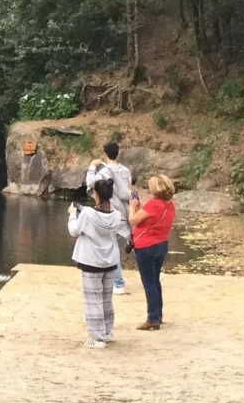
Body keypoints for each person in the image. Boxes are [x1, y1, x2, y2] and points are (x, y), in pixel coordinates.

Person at [68, 176, 125, 349]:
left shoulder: (86, 214)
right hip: (110, 261)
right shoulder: (116, 216)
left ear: (96, 195)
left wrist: (72, 215)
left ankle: (97, 338)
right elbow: (99, 215)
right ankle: (107, 332)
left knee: (92, 299)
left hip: (91, 261)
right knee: (106, 298)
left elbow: (74, 231)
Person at [129, 174, 178, 330]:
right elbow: (149, 217)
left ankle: (153, 318)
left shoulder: (153, 205)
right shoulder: (169, 205)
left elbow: (133, 220)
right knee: (155, 280)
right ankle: (158, 314)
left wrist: (132, 207)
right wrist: (140, 208)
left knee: (148, 282)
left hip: (146, 246)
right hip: (161, 244)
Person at [85, 141, 133, 294]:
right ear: (118, 153)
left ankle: (118, 283)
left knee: (112, 249)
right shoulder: (125, 170)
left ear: (104, 154)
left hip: (110, 212)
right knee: (126, 245)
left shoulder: (104, 171)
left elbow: (90, 182)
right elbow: (127, 188)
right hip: (125, 213)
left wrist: (92, 166)